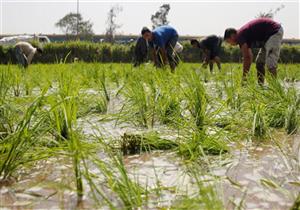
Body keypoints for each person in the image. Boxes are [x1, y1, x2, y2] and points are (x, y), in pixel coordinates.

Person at [224, 18, 284, 84]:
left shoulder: (240, 36)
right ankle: (261, 87)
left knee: (270, 64)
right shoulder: (242, 35)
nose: (230, 44)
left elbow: (247, 58)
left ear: (232, 36)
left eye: (228, 41)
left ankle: (274, 89)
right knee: (259, 63)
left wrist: (244, 78)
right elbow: (250, 56)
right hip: (267, 37)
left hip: (274, 31)